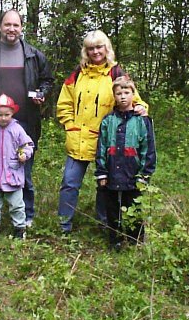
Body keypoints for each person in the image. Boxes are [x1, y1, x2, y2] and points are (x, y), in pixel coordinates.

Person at [56, 30, 148, 234]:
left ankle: (104, 225)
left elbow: (133, 98)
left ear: (107, 48)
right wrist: (69, 124)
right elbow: (64, 104)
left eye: (99, 47)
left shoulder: (117, 73)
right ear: (85, 51)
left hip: (109, 141)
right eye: (91, 48)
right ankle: (64, 225)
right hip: (79, 138)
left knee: (105, 186)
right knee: (69, 183)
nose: (95, 52)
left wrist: (141, 108)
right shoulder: (77, 74)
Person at [0, 10, 54, 227]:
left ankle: (26, 215)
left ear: (21, 27)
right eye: (7, 25)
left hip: (25, 123)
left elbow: (47, 80)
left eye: (16, 25)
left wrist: (42, 93)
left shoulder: (34, 55)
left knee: (24, 168)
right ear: (0, 27)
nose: (11, 29)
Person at [95, 77, 156, 250]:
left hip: (133, 171)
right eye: (119, 93)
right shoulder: (108, 121)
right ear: (114, 96)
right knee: (112, 207)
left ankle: (135, 239)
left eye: (126, 93)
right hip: (112, 170)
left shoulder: (142, 121)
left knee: (134, 205)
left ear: (133, 94)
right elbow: (101, 147)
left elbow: (148, 148)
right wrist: (102, 172)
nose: (123, 97)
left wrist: (145, 174)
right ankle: (114, 239)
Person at [0, 94, 34, 240]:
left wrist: (25, 154)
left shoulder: (17, 129)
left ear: (12, 113)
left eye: (7, 115)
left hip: (12, 175)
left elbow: (27, 145)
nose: (3, 118)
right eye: (0, 115)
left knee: (16, 205)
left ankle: (19, 228)